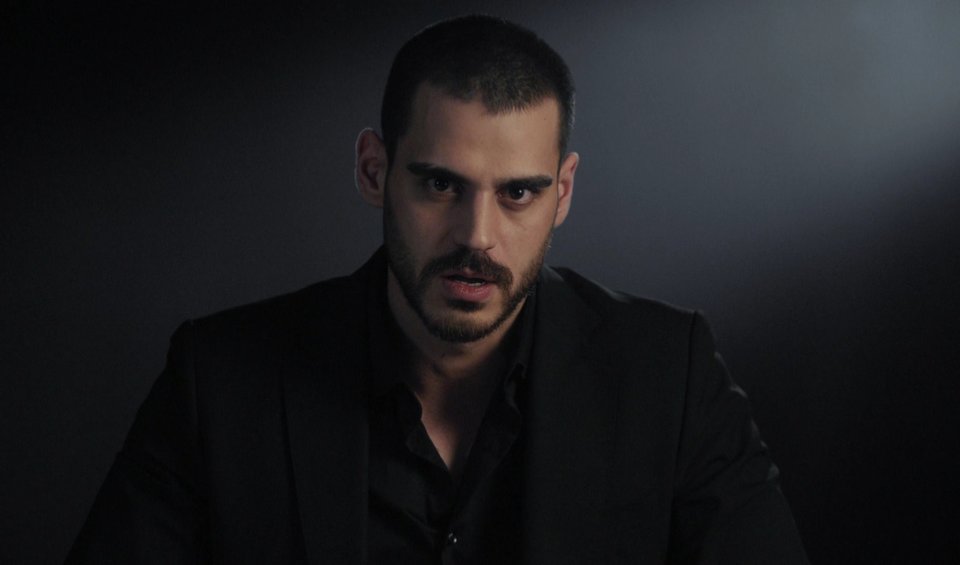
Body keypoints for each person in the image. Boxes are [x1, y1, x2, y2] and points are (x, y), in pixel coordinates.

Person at [66, 14, 809, 565]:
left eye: (518, 193)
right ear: (374, 171)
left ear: (563, 193)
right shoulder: (220, 381)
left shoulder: (670, 376)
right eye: (440, 185)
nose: (476, 236)